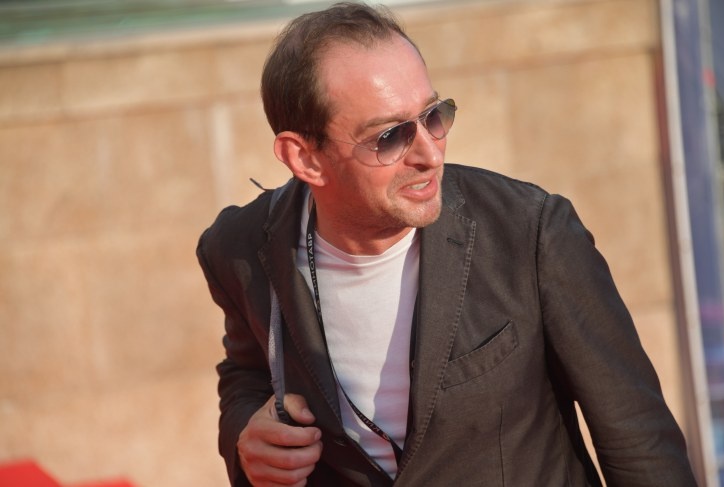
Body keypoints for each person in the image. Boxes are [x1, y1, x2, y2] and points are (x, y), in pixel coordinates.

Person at [196, 2, 697, 486]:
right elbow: (248, 372)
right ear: (305, 159)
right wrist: (245, 437)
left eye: (434, 115)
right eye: (390, 137)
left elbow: (637, 437)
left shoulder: (530, 231)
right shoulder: (238, 249)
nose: (430, 154)